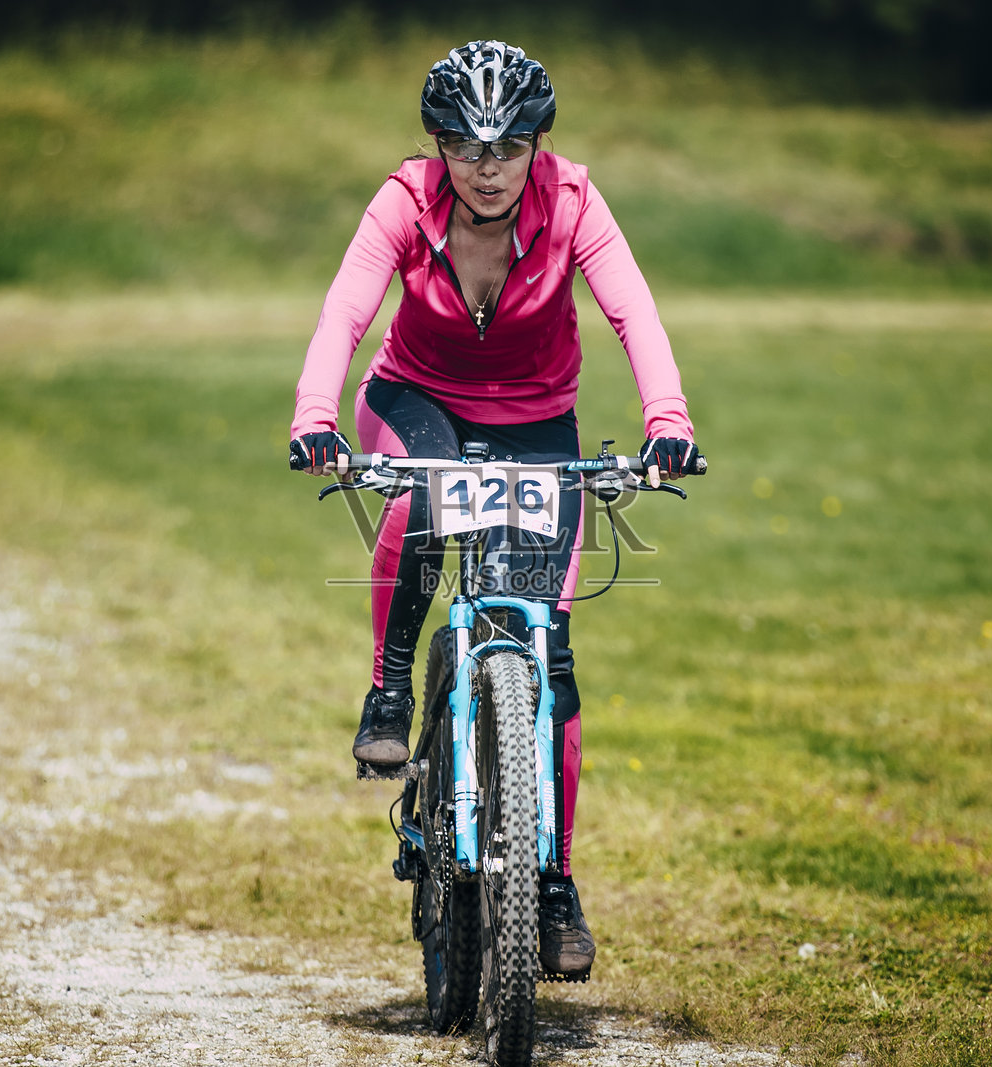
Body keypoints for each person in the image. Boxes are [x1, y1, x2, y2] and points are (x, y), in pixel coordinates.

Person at [288, 39, 699, 979]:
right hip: (414, 398)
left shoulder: (576, 203)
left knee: (550, 653)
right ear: (437, 145)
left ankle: (552, 877)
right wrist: (316, 412)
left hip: (538, 421)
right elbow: (346, 311)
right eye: (465, 148)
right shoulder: (403, 201)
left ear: (536, 145)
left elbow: (634, 310)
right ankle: (390, 684)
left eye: (507, 147)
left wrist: (666, 417)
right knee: (423, 492)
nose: (486, 168)